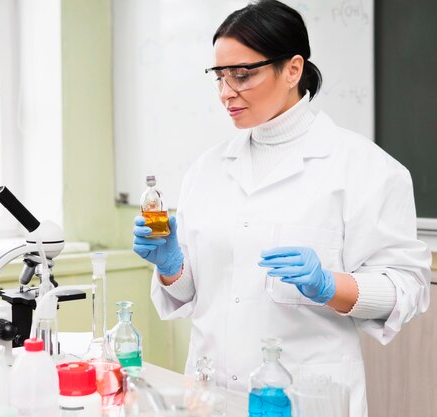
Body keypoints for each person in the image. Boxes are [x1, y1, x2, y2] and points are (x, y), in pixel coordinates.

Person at [131, 1, 431, 416]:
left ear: (292, 69)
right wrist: (171, 266)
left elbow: (408, 289)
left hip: (306, 399)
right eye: (219, 77)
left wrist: (330, 285)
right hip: (211, 395)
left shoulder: (366, 168)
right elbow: (192, 295)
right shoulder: (206, 170)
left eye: (242, 75)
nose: (226, 92)